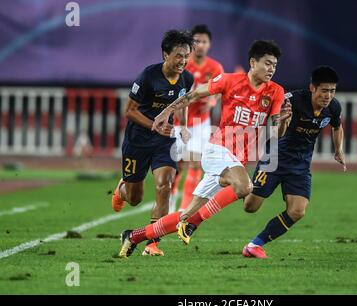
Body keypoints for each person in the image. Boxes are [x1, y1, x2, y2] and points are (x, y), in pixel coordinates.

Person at [118, 40, 293, 258]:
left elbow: (277, 133)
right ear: (252, 62)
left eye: (274, 66)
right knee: (246, 186)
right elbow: (193, 95)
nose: (271, 69)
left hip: (235, 161)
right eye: (267, 64)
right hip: (218, 151)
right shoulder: (229, 80)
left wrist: (285, 121)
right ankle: (194, 223)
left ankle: (134, 236)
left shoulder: (276, 92)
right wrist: (165, 113)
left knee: (186, 213)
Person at [242, 66, 347, 258]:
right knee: (250, 207)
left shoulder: (333, 107)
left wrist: (338, 150)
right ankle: (241, 184)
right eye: (324, 90)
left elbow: (337, 127)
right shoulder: (292, 101)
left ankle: (254, 245)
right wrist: (282, 122)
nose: (328, 95)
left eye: (332, 91)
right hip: (274, 159)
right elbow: (276, 133)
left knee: (298, 211)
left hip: (300, 165)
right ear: (312, 88)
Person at [111, 30, 194, 256]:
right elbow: (129, 111)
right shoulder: (148, 76)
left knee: (165, 186)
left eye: (186, 56)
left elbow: (183, 101)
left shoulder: (187, 77)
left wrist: (183, 125)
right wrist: (154, 125)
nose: (183, 61)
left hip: (164, 140)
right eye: (178, 55)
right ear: (165, 54)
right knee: (135, 198)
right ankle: (121, 190)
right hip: (137, 140)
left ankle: (152, 243)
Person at [171, 24, 224, 214]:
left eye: (204, 41)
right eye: (197, 41)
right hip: (179, 123)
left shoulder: (215, 67)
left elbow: (219, 91)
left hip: (201, 123)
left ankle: (184, 208)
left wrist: (212, 100)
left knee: (195, 162)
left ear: (209, 44)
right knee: (176, 165)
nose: (200, 45)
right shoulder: (184, 65)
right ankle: (170, 204)